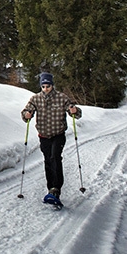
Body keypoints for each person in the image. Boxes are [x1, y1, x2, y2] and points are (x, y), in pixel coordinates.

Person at [21, 72, 81, 203]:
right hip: (43, 136)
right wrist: (27, 114)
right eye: (43, 86)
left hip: (58, 135)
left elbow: (75, 112)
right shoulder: (35, 98)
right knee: (48, 160)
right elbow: (26, 111)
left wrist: (74, 111)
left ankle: (56, 189)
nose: (46, 89)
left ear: (52, 85)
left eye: (48, 86)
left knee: (55, 158)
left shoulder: (61, 97)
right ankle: (51, 189)